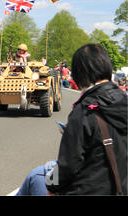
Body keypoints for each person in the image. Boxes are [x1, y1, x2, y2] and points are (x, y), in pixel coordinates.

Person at [19, 43, 127, 195]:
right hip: (120, 187)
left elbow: (67, 166)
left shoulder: (84, 111)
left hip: (87, 189)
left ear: (80, 73)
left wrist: (51, 187)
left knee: (36, 176)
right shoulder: (123, 101)